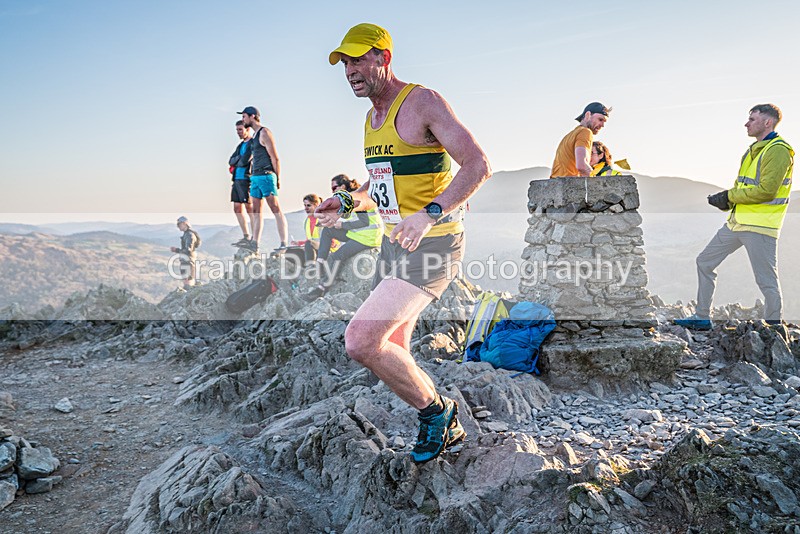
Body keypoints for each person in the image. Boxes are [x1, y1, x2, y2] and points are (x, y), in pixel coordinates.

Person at [319, 23, 491, 463]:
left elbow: (477, 165)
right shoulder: (370, 119)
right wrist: (344, 201)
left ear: (384, 58)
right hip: (393, 245)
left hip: (434, 245)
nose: (351, 71)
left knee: (360, 340)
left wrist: (429, 213)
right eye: (345, 63)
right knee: (392, 344)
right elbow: (379, 188)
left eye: (359, 59)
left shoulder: (422, 102)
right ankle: (437, 417)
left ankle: (439, 414)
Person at [675, 104, 793, 330]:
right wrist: (725, 202)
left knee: (766, 280)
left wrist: (729, 196)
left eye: (752, 119)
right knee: (704, 261)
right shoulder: (752, 151)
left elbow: (767, 190)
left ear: (767, 122)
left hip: (760, 227)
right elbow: (744, 187)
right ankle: (702, 317)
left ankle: (775, 328)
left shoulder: (778, 150)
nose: (746, 123)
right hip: (736, 224)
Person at [304, 174, 383, 299]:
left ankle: (322, 288)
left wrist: (342, 225)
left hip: (368, 237)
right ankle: (321, 261)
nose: (333, 191)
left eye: (334, 188)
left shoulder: (355, 198)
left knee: (337, 256)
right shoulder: (345, 199)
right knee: (328, 230)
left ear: (342, 186)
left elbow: (364, 222)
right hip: (357, 233)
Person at [237, 106, 288, 254]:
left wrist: (277, 178)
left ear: (253, 116)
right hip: (256, 177)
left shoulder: (265, 133)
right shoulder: (253, 138)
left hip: (266, 175)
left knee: (275, 208)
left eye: (244, 116)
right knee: (255, 211)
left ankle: (283, 242)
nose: (243, 120)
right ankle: (255, 243)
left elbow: (275, 157)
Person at [551, 102, 611, 178]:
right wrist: (594, 184)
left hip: (556, 183)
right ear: (588, 115)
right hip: (569, 185)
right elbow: (582, 166)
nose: (602, 125)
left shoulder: (569, 136)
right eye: (600, 119)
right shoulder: (585, 132)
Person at [229, 120, 255, 247]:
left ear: (247, 129)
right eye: (237, 130)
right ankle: (246, 235)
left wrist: (238, 160)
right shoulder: (240, 146)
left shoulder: (252, 143)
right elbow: (230, 160)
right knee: (237, 208)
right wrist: (238, 159)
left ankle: (254, 237)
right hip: (236, 179)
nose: (238, 132)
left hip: (246, 179)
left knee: (249, 207)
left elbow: (245, 160)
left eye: (240, 129)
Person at [170, 216, 201, 288]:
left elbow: (188, 251)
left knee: (188, 281)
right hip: (187, 261)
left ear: (184, 223)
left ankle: (189, 294)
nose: (178, 227)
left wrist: (176, 250)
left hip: (188, 261)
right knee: (187, 280)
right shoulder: (187, 234)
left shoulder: (189, 235)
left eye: (179, 224)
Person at [302, 193, 322, 263]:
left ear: (316, 205)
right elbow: (309, 240)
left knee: (309, 244)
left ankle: (311, 268)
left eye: (308, 205)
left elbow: (331, 242)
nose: (306, 208)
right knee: (291, 251)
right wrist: (298, 243)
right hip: (315, 247)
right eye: (305, 205)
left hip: (328, 249)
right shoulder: (307, 221)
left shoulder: (323, 219)